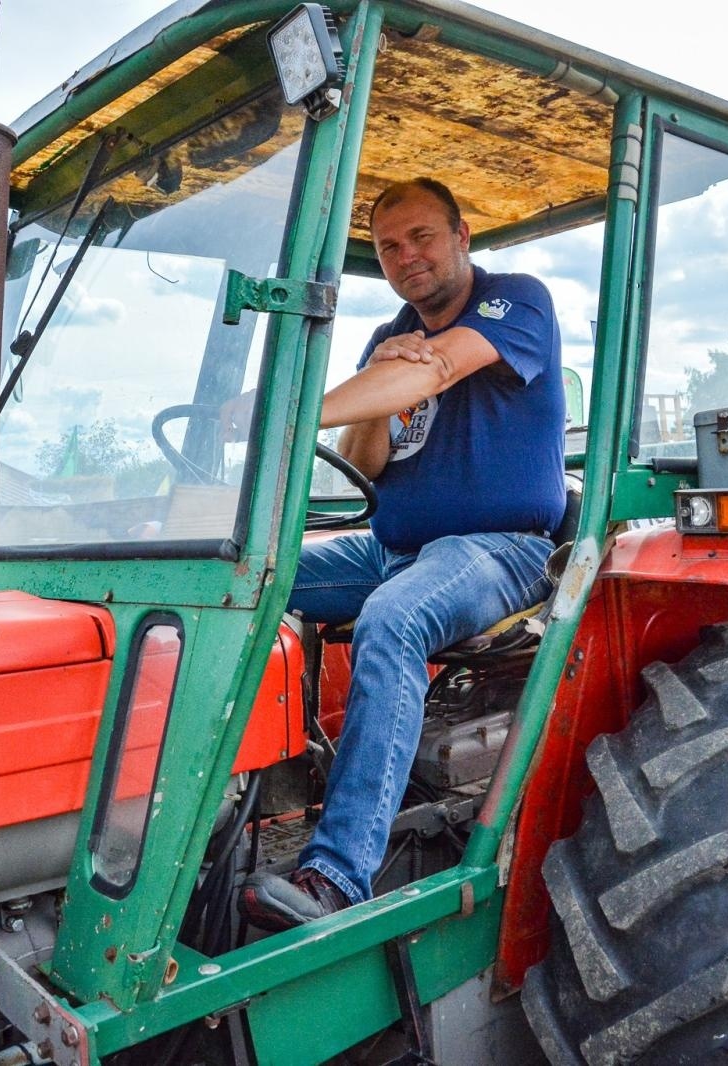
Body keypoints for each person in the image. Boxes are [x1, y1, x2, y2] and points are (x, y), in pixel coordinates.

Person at [236, 178, 566, 931]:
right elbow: (367, 461)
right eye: (388, 246)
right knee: (248, 576)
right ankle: (224, 812)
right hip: (393, 546)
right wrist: (381, 382)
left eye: (421, 236)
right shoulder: (388, 336)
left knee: (393, 619)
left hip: (502, 548)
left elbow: (440, 368)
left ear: (461, 235)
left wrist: (284, 410)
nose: (405, 256)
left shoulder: (515, 301)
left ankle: (337, 874)